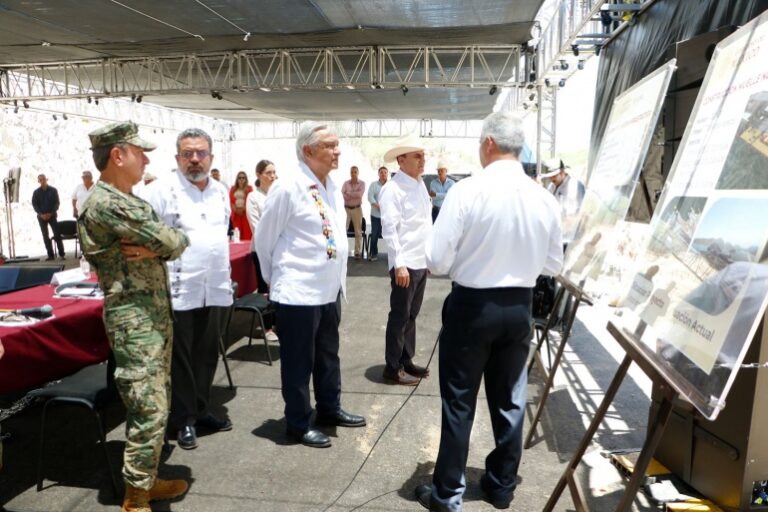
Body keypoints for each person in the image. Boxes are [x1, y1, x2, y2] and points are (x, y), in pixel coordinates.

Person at [415, 111, 563, 511]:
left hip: (472, 308)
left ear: (489, 143)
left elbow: (437, 260)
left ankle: (447, 494)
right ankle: (501, 485)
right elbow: (554, 265)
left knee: (459, 402)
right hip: (519, 308)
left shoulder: (467, 191)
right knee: (510, 398)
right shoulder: (543, 197)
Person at [78, 121, 190, 512]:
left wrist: (164, 244)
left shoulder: (124, 197)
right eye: (139, 151)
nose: (145, 158)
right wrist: (164, 244)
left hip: (150, 316)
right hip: (136, 321)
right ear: (117, 155)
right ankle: (136, 497)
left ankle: (147, 478)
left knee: (158, 401)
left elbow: (171, 240)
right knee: (148, 405)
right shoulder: (108, 203)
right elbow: (171, 240)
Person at [255, 121, 366, 448]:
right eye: (330, 145)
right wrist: (275, 281)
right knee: (298, 362)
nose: (338, 150)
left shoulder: (330, 185)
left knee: (328, 355)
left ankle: (329, 408)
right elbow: (264, 240)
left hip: (327, 290)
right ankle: (298, 423)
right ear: (308, 150)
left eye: (337, 144)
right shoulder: (289, 186)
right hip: (298, 292)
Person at [145, 128, 233, 451]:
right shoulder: (160, 190)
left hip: (215, 286)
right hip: (179, 288)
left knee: (207, 352)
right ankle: (182, 420)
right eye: (188, 154)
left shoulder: (220, 190)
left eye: (201, 153)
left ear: (210, 156)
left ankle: (200, 409)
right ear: (177, 158)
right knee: (181, 359)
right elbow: (147, 236)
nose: (194, 159)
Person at [379, 133, 432, 386]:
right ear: (401, 160)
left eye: (423, 156)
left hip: (420, 262)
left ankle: (405, 359)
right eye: (417, 156)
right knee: (399, 316)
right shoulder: (393, 189)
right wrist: (399, 264)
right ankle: (392, 367)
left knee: (412, 316)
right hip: (405, 264)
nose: (423, 160)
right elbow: (390, 230)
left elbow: (425, 224)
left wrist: (429, 258)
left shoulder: (420, 184)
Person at [246, 159, 277, 294]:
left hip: (279, 248)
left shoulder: (278, 195)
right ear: (258, 175)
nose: (272, 176)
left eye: (274, 172)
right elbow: (256, 226)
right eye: (268, 173)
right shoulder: (253, 197)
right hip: (261, 250)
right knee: (265, 289)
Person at [541, 157, 585, 247]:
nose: (551, 179)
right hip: (556, 235)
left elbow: (574, 216)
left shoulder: (574, 186)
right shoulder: (551, 186)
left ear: (562, 172)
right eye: (550, 176)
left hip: (570, 238)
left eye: (554, 176)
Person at [31, 174, 65, 261]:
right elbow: (35, 205)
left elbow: (57, 203)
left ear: (47, 179)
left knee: (57, 234)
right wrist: (41, 214)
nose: (42, 181)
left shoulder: (53, 190)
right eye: (40, 180)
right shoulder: (36, 193)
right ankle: (50, 255)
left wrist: (51, 213)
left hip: (52, 216)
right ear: (38, 181)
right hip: (41, 217)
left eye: (44, 179)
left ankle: (61, 254)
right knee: (45, 236)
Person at [342, 165, 366, 259]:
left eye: (355, 172)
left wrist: (349, 194)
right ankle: (342, 251)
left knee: (358, 232)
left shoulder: (362, 183)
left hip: (357, 209)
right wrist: (353, 195)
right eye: (352, 172)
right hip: (346, 210)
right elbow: (343, 195)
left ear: (358, 173)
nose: (353, 173)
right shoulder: (345, 183)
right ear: (350, 173)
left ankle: (357, 252)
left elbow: (359, 195)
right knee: (343, 231)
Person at [367, 166, 388, 261]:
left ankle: (392, 256)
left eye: (385, 172)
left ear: (387, 174)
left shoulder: (391, 185)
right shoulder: (373, 185)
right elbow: (370, 197)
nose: (383, 174)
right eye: (381, 172)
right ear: (378, 174)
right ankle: (374, 254)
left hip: (388, 216)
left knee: (391, 235)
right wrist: (378, 206)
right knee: (374, 234)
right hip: (375, 215)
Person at [230, 171, 253, 241]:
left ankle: (247, 250)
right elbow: (230, 201)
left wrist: (243, 209)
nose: (241, 179)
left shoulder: (249, 188)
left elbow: (250, 200)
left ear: (246, 179)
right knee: (237, 234)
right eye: (239, 178)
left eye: (243, 178)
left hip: (245, 214)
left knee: (247, 233)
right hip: (236, 215)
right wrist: (236, 210)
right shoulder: (233, 188)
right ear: (237, 179)